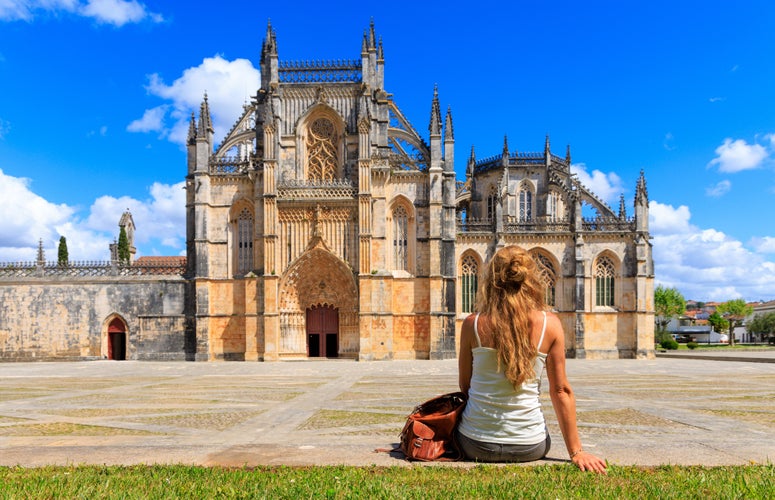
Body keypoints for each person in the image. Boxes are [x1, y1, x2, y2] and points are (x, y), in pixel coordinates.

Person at [456, 245, 607, 473]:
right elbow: (561, 391)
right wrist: (577, 451)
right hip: (529, 445)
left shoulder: (472, 324)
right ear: (532, 278)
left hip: (474, 444)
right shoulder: (551, 324)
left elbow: (465, 386)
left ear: (491, 279)